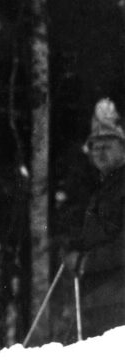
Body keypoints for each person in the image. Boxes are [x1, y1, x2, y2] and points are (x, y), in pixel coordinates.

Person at [67, 99, 125, 338]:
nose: (99, 152)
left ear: (123, 148)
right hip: (98, 303)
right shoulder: (103, 189)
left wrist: (85, 262)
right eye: (95, 146)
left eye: (107, 146)